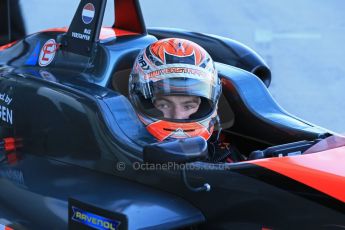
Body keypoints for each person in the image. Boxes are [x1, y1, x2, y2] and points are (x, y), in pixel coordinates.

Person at [129, 38, 243, 162]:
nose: (178, 116)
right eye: (164, 105)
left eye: (188, 106)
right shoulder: (124, 148)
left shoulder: (223, 155)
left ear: (209, 105)